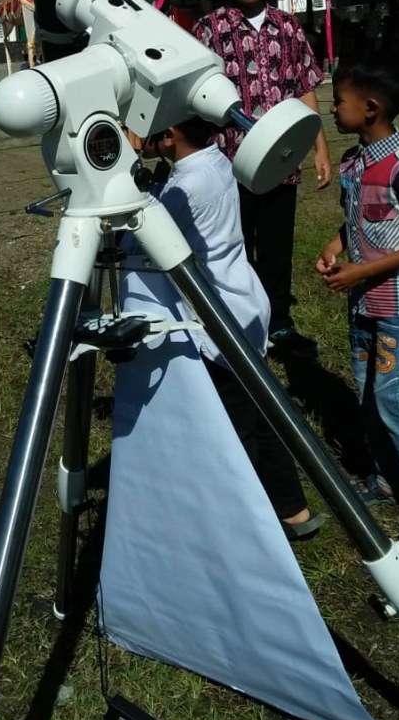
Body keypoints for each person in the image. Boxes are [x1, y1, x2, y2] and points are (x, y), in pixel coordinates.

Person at [128, 116, 324, 540]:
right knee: (263, 412)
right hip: (244, 302)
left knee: (236, 431)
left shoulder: (187, 187)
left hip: (218, 319)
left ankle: (248, 529)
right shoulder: (215, 162)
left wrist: (127, 167)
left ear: (169, 136)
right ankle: (294, 510)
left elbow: (140, 240)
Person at [192, 0, 332, 358]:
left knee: (276, 246)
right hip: (229, 162)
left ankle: (279, 324)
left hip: (281, 160)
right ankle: (238, 324)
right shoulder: (208, 31)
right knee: (231, 246)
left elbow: (303, 87)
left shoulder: (287, 28)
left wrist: (320, 147)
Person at [315, 53, 399, 544]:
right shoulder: (355, 163)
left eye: (339, 101)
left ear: (371, 107)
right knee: (367, 394)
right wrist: (336, 246)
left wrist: (362, 270)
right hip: (363, 304)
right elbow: (356, 219)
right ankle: (385, 476)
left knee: (392, 396)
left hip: (397, 306)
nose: (332, 108)